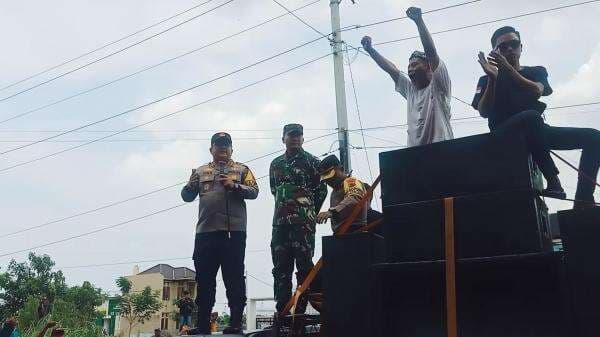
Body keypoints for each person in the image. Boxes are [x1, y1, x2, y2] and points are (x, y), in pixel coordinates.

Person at [472, 26, 600, 209]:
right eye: (503, 46)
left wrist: (508, 69)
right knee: (531, 117)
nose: (509, 49)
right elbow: (483, 111)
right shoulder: (486, 79)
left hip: (537, 131)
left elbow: (536, 91)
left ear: (521, 47)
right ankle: (554, 181)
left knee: (594, 137)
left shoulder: (536, 71)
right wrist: (493, 79)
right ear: (495, 51)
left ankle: (583, 200)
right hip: (504, 134)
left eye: (514, 44)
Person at [181, 132, 259, 334]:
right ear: (211, 149)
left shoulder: (242, 169)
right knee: (204, 280)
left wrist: (234, 185)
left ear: (232, 149)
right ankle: (203, 324)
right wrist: (189, 186)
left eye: (226, 146)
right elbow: (186, 196)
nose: (222, 149)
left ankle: (235, 324)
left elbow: (254, 191)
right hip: (205, 233)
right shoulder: (200, 171)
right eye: (218, 146)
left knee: (233, 278)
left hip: (233, 234)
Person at [361, 6, 453, 147]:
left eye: (415, 65)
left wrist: (419, 21)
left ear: (428, 66)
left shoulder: (439, 83)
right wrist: (371, 50)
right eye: (409, 66)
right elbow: (391, 70)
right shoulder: (410, 90)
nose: (410, 69)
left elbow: (431, 51)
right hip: (415, 156)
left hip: (441, 151)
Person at [269, 123, 328, 314]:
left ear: (303, 138)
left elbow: (321, 191)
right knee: (280, 269)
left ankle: (300, 313)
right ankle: (283, 312)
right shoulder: (275, 164)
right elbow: (274, 190)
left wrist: (308, 213)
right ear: (283, 138)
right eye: (291, 135)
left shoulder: (312, 162)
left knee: (304, 267)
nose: (295, 138)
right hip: (280, 224)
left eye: (299, 135)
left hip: (303, 225)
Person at [316, 155, 368, 232]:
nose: (328, 180)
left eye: (331, 175)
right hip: (342, 233)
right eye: (325, 178)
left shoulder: (350, 181)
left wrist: (332, 212)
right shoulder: (335, 190)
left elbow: (354, 198)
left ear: (341, 169)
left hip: (355, 231)